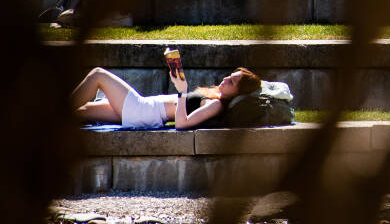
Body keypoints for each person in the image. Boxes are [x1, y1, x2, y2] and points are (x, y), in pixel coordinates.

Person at [70, 65, 262, 130]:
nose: (226, 78)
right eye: (230, 75)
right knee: (82, 111)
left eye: (232, 82)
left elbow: (182, 123)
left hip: (142, 110)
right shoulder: (215, 96)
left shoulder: (216, 105)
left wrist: (181, 91)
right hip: (144, 111)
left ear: (237, 93)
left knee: (97, 75)